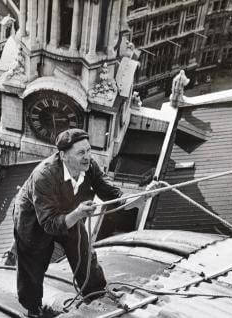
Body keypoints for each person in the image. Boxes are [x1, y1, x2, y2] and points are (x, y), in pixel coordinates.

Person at [13, 128, 160, 317]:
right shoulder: (44, 175)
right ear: (63, 155)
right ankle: (33, 309)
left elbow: (113, 194)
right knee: (33, 262)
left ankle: (96, 294)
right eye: (81, 153)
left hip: (69, 212)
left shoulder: (89, 166)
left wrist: (143, 197)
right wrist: (76, 213)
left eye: (89, 151)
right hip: (33, 220)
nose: (87, 157)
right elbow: (49, 223)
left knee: (83, 250)